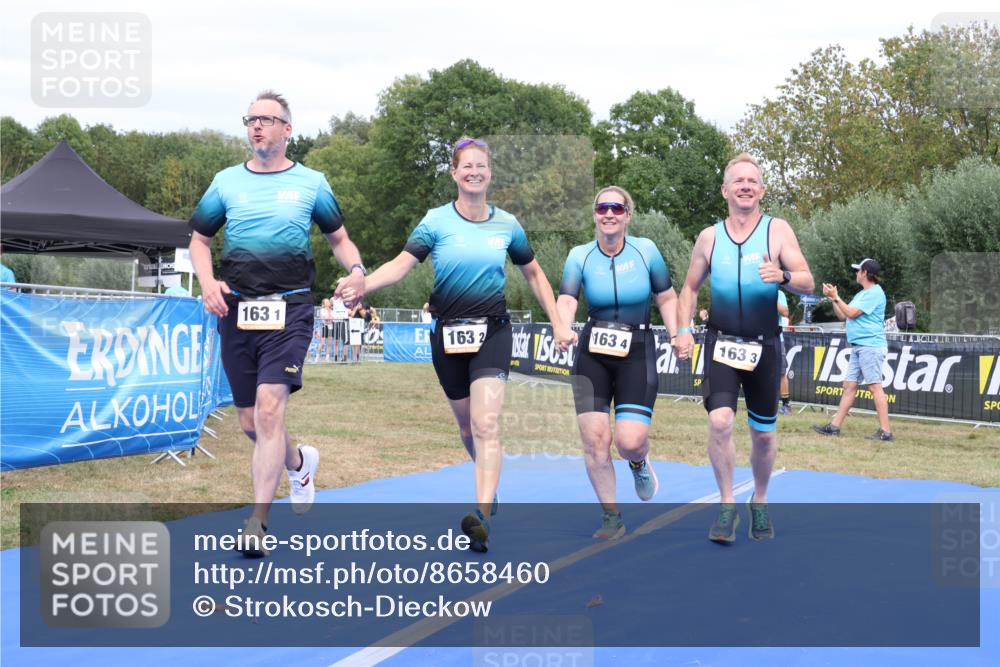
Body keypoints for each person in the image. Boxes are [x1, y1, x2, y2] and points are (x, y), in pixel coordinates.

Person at [340, 137, 575, 552]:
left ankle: (481, 514)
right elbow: (400, 266)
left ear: (490, 173)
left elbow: (534, 274)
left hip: (493, 333)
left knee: (487, 423)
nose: (474, 172)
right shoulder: (434, 222)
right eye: (466, 166)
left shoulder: (508, 225)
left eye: (481, 166)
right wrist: (363, 283)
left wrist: (557, 321)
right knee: (467, 427)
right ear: (454, 173)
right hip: (447, 335)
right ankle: (489, 482)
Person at [188, 90, 366, 557]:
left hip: (290, 308)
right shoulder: (226, 182)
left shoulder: (311, 183)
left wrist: (357, 272)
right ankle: (299, 462)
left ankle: (258, 522)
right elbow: (200, 241)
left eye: (267, 119)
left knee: (270, 409)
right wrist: (207, 283)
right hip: (237, 309)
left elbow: (339, 238)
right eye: (251, 119)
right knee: (249, 420)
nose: (257, 126)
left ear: (288, 129)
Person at [673, 153, 814, 544]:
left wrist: (782, 275)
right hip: (721, 343)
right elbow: (689, 288)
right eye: (739, 181)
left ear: (762, 190)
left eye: (753, 181)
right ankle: (725, 505)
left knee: (764, 435)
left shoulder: (777, 231)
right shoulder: (709, 237)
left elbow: (807, 280)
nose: (746, 186)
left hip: (764, 345)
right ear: (725, 190)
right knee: (719, 421)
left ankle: (761, 500)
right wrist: (683, 330)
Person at [556, 186, 678, 540]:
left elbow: (666, 296)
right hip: (592, 351)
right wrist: (562, 326)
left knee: (628, 441)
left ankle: (639, 462)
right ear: (594, 214)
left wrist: (678, 332)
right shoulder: (579, 255)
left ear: (628, 215)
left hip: (636, 349)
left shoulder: (646, 251)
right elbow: (567, 299)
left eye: (617, 208)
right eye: (602, 207)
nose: (609, 213)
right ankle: (612, 517)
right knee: (595, 440)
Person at [813, 258, 893, 441]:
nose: (856, 273)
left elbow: (851, 313)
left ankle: (885, 431)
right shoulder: (862, 294)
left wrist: (837, 297)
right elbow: (843, 315)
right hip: (860, 346)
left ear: (865, 273)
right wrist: (833, 298)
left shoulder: (874, 293)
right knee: (849, 386)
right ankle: (834, 427)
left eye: (858, 270)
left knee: (874, 386)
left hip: (870, 346)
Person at [777, 290, 792, 415]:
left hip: (776, 339)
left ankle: (786, 405)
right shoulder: (752, 290)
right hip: (756, 338)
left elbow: (785, 312)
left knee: (781, 373)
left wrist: (768, 296)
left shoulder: (779, 294)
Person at [331, 293, 349, 361]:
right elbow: (329, 306)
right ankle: (335, 357)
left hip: (344, 321)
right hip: (336, 321)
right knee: (336, 340)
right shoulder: (333, 299)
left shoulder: (347, 299)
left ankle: (344, 357)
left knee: (345, 340)